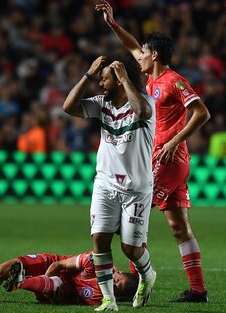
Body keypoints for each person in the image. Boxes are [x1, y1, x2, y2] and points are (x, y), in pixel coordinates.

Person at [96, 1, 211, 303]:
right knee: (179, 227)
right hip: (165, 159)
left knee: (127, 222)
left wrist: (174, 141)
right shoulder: (151, 79)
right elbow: (132, 45)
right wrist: (112, 23)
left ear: (155, 55)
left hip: (168, 158)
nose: (139, 57)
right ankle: (198, 290)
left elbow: (201, 113)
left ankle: (140, 281)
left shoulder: (173, 81)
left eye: (144, 54)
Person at [63, 55, 156, 311]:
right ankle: (108, 300)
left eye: (104, 79)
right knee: (99, 240)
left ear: (118, 79)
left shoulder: (145, 102)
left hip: (136, 190)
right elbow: (68, 107)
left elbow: (143, 112)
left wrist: (126, 78)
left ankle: (148, 275)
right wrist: (87, 74)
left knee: (130, 248)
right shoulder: (101, 103)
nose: (101, 84)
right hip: (105, 184)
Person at [0, 251, 138, 306]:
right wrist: (41, 281)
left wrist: (50, 295)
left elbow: (65, 301)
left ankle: (20, 281)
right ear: (117, 271)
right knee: (2, 270)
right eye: (117, 280)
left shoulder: (98, 298)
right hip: (50, 265)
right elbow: (58, 266)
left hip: (56, 290)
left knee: (57, 285)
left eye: (116, 289)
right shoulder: (96, 261)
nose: (112, 284)